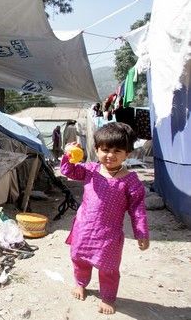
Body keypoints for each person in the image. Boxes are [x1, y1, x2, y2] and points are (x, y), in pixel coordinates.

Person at [60, 122, 149, 315]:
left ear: (128, 154)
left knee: (108, 268)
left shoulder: (130, 181)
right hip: (84, 228)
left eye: (117, 150)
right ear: (96, 150)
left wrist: (141, 233)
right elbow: (68, 171)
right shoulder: (90, 169)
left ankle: (108, 297)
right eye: (105, 149)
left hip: (109, 235)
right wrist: (68, 156)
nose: (110, 155)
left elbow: (137, 209)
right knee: (79, 258)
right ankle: (81, 284)